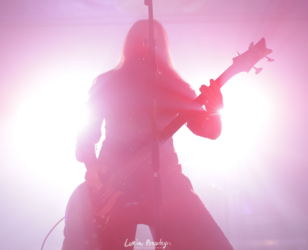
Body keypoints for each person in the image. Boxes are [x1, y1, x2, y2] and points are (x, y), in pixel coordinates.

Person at [61, 19, 234, 250]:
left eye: (154, 42)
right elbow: (85, 133)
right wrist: (92, 169)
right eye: (142, 40)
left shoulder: (175, 86)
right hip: (114, 183)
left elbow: (208, 131)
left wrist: (216, 109)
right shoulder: (109, 83)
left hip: (166, 181)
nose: (148, 46)